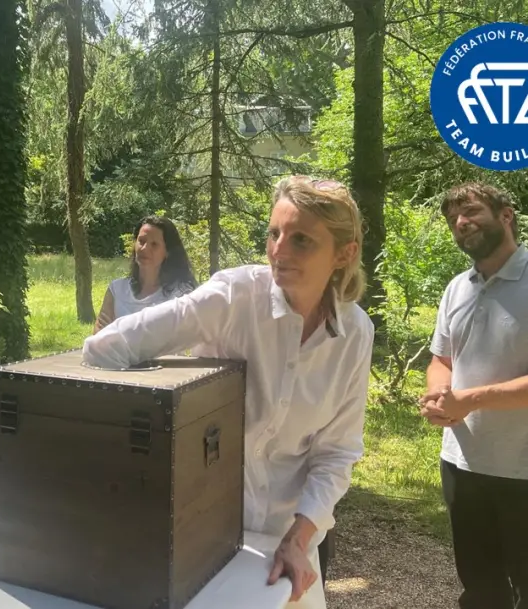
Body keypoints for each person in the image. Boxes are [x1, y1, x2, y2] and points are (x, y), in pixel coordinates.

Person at [83, 176, 374, 608]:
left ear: (344, 254)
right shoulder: (235, 297)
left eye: (301, 240)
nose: (279, 250)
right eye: (274, 234)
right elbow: (107, 347)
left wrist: (298, 538)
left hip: (291, 542)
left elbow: (336, 452)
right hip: (199, 536)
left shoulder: (354, 334)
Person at [418, 182, 528, 609]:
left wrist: (471, 399)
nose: (461, 223)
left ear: (506, 215)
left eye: (471, 212)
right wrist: (438, 393)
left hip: (523, 470)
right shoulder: (457, 288)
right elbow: (441, 359)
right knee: (481, 590)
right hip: (462, 464)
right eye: (453, 219)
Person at [94, 214, 197, 334]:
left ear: (167, 252)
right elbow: (99, 335)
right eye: (141, 241)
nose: (144, 249)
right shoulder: (117, 290)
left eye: (154, 244)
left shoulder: (181, 295)